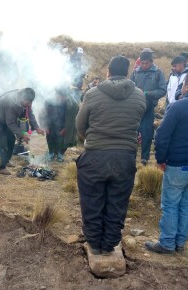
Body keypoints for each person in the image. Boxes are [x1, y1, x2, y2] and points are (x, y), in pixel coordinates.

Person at [76, 55, 146, 256]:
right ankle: (109, 245)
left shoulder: (92, 94)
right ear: (127, 72)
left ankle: (94, 244)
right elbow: (137, 121)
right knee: (117, 202)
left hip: (95, 155)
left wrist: (89, 139)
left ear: (108, 71)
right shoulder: (140, 95)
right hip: (125, 157)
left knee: (92, 201)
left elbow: (80, 125)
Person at [145, 72, 188, 254]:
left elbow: (162, 135)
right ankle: (180, 243)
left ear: (187, 86)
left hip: (177, 165)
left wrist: (160, 159)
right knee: (186, 204)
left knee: (171, 204)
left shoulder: (179, 107)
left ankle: (167, 244)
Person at [0, 88, 45, 175]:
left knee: (11, 139)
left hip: (6, 119)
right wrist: (22, 135)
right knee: (1, 141)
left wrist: (37, 128)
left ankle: (5, 160)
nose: (28, 104)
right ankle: (0, 167)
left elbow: (30, 114)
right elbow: (10, 123)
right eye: (27, 102)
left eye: (30, 102)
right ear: (22, 97)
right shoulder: (11, 103)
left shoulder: (27, 102)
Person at [130, 50, 167, 165]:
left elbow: (162, 90)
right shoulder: (135, 72)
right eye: (142, 63)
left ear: (151, 62)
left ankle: (144, 158)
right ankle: (131, 156)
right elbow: (129, 87)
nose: (144, 65)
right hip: (135, 108)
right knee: (132, 133)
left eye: (146, 63)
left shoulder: (158, 72)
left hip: (149, 108)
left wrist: (146, 93)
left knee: (147, 133)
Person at [39, 87, 79, 162]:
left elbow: (72, 120)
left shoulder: (72, 105)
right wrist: (45, 126)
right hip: (51, 123)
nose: (62, 98)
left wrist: (65, 129)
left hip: (64, 124)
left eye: (64, 97)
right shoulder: (49, 101)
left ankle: (60, 153)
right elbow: (43, 113)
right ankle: (51, 152)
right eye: (60, 96)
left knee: (62, 140)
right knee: (50, 138)